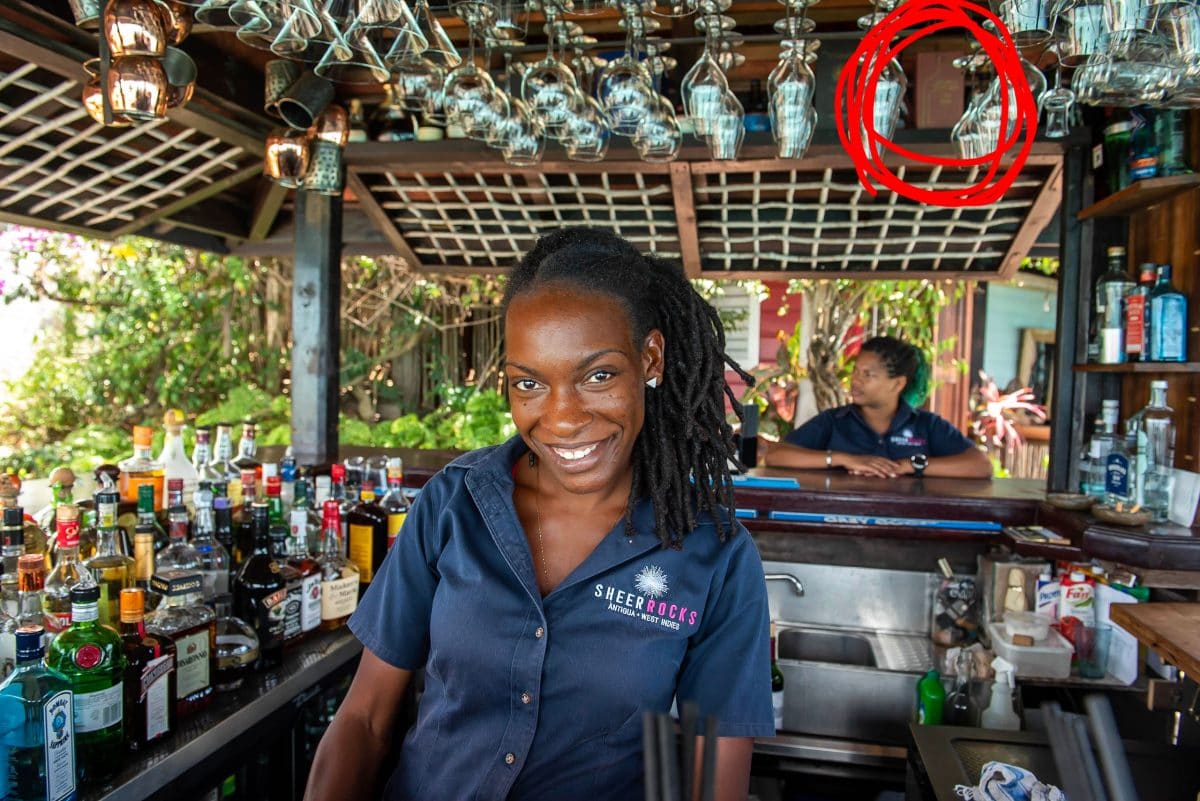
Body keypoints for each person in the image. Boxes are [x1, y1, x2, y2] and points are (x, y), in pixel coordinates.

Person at [304, 228, 775, 801]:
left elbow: (712, 782)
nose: (561, 419)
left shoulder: (713, 553)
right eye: (529, 383)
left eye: (597, 375)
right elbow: (365, 720)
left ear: (649, 357)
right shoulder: (454, 503)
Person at [762, 335, 992, 479]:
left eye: (868, 374)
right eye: (855, 372)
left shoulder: (926, 425)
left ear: (898, 383)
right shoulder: (834, 421)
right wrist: (843, 458)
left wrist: (911, 466)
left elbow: (980, 466)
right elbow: (776, 456)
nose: (855, 380)